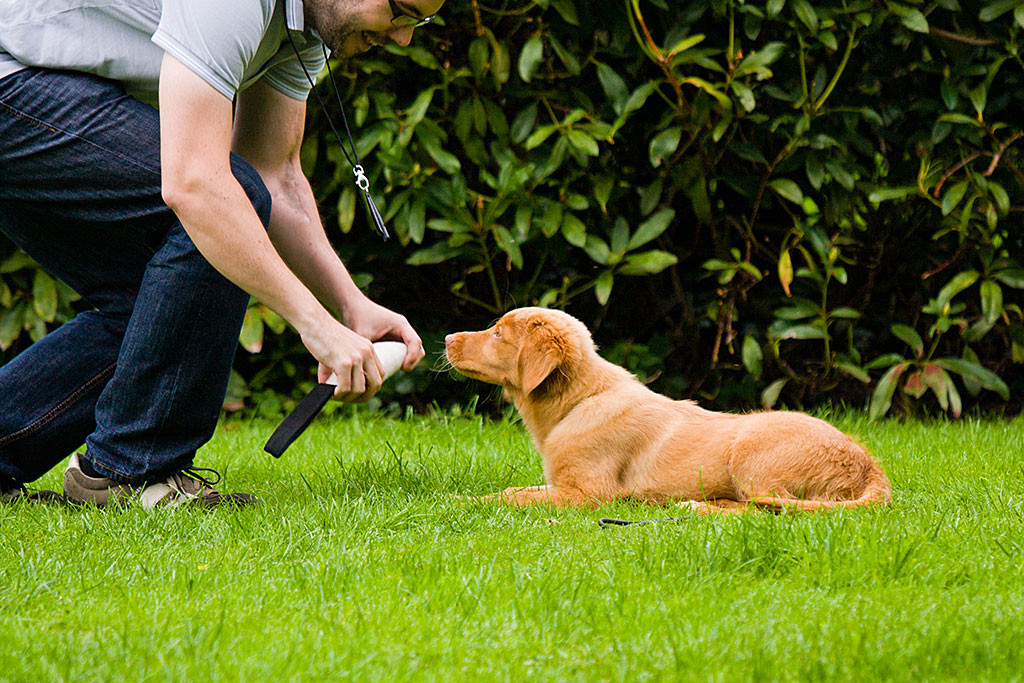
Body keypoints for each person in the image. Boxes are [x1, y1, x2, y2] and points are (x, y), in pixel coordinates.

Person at [0, 0, 440, 507]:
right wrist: (315, 325)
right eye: (403, 11)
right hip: (13, 77)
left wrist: (349, 305)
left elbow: (275, 172)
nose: (405, 39)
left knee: (160, 293)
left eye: (420, 22)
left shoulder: (307, 24)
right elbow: (195, 185)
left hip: (39, 87)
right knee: (220, 202)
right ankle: (133, 472)